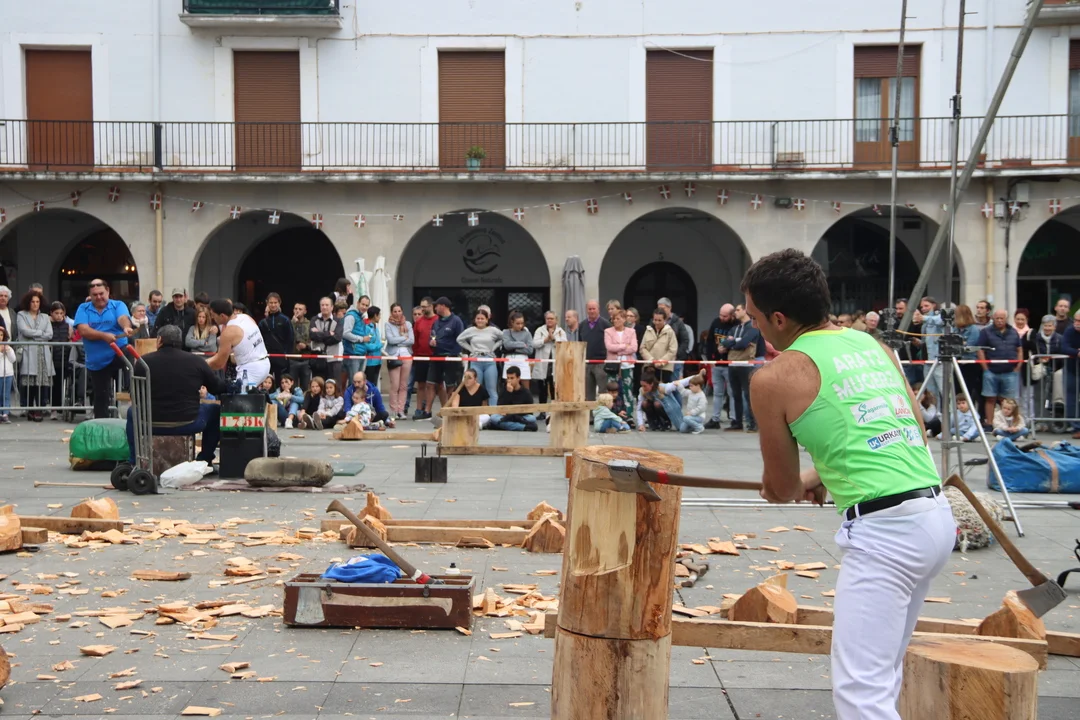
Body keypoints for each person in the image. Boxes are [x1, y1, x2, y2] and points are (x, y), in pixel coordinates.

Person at [741, 248, 954, 719]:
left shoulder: (774, 378)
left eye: (755, 318)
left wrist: (786, 485)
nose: (755, 327)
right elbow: (912, 431)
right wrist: (822, 475)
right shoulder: (873, 345)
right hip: (933, 515)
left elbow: (782, 488)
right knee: (883, 672)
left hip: (887, 535)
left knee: (862, 693)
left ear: (779, 319)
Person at [124, 325, 227, 471]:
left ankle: (134, 461)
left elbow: (134, 394)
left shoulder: (143, 362)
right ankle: (205, 459)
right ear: (181, 341)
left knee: (131, 412)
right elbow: (217, 387)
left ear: (159, 340)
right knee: (215, 410)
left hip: (151, 423)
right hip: (188, 422)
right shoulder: (196, 361)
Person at [74, 279, 134, 419]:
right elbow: (83, 330)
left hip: (117, 351)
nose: (99, 297)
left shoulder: (118, 305)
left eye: (101, 293)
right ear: (90, 295)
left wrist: (126, 327)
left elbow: (123, 318)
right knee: (101, 396)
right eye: (95, 295)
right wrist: (103, 336)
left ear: (108, 291)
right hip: (97, 360)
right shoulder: (83, 308)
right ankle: (101, 424)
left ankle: (131, 388)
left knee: (129, 352)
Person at [207, 298, 270, 389]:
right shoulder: (246, 317)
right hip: (265, 362)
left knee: (237, 396)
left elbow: (219, 363)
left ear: (222, 316)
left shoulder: (228, 332)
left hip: (251, 369)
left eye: (213, 315)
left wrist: (201, 363)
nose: (212, 318)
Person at [976, 309, 1022, 425]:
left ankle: (1006, 424)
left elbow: (1019, 349)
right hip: (991, 371)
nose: (1000, 321)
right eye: (997, 318)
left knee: (1008, 401)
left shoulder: (1014, 332)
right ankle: (990, 424)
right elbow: (980, 350)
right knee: (990, 398)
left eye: (1002, 318)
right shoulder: (986, 332)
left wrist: (1018, 366)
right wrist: (985, 368)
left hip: (1010, 372)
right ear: (993, 319)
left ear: (1006, 319)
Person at [16, 289, 55, 421]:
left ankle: (39, 409)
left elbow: (50, 334)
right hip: (28, 352)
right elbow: (24, 331)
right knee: (29, 383)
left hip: (43, 354)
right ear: (28, 302)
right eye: (33, 301)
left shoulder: (45, 316)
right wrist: (40, 334)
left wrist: (33, 333)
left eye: (37, 301)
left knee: (41, 383)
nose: (35, 304)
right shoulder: (21, 315)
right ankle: (30, 409)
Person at [723, 304, 761, 433]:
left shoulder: (753, 327)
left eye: (738, 310)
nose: (735, 312)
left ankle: (753, 423)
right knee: (735, 394)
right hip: (733, 363)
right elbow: (724, 342)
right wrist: (735, 341)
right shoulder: (735, 328)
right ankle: (737, 423)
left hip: (746, 364)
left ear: (745, 311)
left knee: (748, 395)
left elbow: (744, 343)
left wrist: (733, 342)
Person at [426, 296, 465, 412]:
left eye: (437, 306)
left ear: (443, 306)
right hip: (436, 356)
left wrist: (452, 353)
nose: (435, 308)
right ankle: (427, 411)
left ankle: (450, 410)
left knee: (450, 386)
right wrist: (431, 343)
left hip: (450, 358)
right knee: (431, 383)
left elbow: (461, 340)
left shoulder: (456, 321)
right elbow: (432, 336)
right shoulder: (436, 322)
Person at [457, 309, 502, 406]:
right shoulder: (470, 330)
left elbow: (504, 338)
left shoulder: (493, 330)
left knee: (492, 390)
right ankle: (477, 412)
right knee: (476, 388)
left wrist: (493, 348)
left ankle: (493, 413)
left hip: (489, 360)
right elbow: (459, 339)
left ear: (487, 319)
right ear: (474, 319)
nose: (480, 320)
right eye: (478, 318)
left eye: (482, 318)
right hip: (476, 360)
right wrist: (471, 349)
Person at [705, 304, 736, 429]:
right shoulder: (716, 322)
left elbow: (738, 342)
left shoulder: (736, 325)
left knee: (732, 393)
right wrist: (710, 359)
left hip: (730, 363)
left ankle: (734, 418)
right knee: (717, 393)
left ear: (731, 315)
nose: (722, 318)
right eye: (720, 315)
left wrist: (728, 348)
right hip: (717, 363)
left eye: (725, 316)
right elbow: (709, 341)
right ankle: (715, 418)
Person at [604, 309, 638, 414]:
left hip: (627, 365)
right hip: (612, 365)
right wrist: (624, 346)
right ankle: (612, 412)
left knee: (628, 390)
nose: (615, 321)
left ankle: (628, 414)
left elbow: (634, 348)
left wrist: (617, 349)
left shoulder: (631, 332)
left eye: (618, 318)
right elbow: (609, 347)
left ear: (624, 319)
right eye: (613, 319)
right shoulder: (608, 331)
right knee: (612, 390)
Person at [384, 303, 414, 421]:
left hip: (407, 355)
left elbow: (411, 340)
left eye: (399, 311)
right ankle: (393, 410)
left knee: (403, 385)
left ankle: (401, 410)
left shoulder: (408, 324)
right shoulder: (388, 324)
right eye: (395, 311)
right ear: (392, 312)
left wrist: (399, 340)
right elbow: (390, 340)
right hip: (394, 355)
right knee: (395, 385)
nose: (397, 313)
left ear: (402, 311)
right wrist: (403, 338)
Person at [531, 311, 566, 410]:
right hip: (543, 365)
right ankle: (542, 412)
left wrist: (554, 339)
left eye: (552, 318)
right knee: (542, 390)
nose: (549, 320)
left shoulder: (561, 331)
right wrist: (545, 340)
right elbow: (534, 344)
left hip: (554, 364)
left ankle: (554, 411)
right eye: (548, 318)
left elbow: (565, 344)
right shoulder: (539, 330)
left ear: (556, 320)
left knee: (554, 389)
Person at [953, 304, 983, 417]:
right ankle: (958, 416)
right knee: (957, 391)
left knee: (968, 391)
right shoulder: (955, 329)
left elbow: (969, 346)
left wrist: (959, 345)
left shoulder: (973, 329)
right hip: (958, 363)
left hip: (969, 364)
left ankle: (970, 416)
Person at [487, 366, 537, 431]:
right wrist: (509, 393)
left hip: (520, 416)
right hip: (506, 416)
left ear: (518, 378)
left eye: (512, 378)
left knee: (532, 418)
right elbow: (500, 406)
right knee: (493, 417)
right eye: (508, 378)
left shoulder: (526, 392)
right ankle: (524, 427)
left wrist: (515, 416)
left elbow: (530, 411)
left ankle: (501, 425)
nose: (509, 381)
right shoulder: (504, 390)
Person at [411, 297, 437, 420]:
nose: (422, 309)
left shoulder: (437, 320)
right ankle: (418, 409)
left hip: (433, 357)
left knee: (432, 385)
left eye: (424, 306)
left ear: (431, 306)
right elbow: (415, 340)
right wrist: (415, 355)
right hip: (420, 356)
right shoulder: (419, 322)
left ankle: (428, 409)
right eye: (421, 306)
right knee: (420, 384)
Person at [257, 292, 293, 382]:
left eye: (275, 302)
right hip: (266, 356)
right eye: (271, 303)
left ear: (279, 303)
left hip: (281, 356)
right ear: (267, 303)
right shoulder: (262, 322)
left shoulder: (285, 320)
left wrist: (287, 354)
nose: (273, 305)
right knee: (266, 382)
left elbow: (290, 338)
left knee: (281, 381)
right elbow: (259, 340)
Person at [308, 297, 341, 390]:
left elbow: (337, 338)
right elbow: (312, 336)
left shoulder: (337, 320)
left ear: (332, 307)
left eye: (327, 305)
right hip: (318, 358)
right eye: (322, 305)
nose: (324, 307)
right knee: (318, 386)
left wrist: (319, 334)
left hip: (332, 359)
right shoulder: (314, 319)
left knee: (333, 386)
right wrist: (329, 334)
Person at [582, 300, 611, 401]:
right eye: (589, 309)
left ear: (598, 309)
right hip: (587, 363)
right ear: (586, 310)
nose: (591, 311)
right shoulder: (582, 325)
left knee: (603, 392)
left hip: (601, 363)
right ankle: (590, 412)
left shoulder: (606, 324)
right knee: (588, 393)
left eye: (593, 309)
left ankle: (603, 411)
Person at [48, 301, 72, 421]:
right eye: (56, 313)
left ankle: (62, 407)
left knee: (62, 384)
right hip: (52, 358)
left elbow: (70, 339)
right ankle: (54, 409)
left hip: (64, 358)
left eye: (61, 313)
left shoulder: (67, 326)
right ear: (51, 313)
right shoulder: (48, 325)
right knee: (54, 386)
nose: (59, 316)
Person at [640, 308, 677, 383]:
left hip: (665, 368)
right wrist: (651, 359)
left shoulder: (670, 332)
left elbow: (673, 350)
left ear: (665, 320)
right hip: (649, 367)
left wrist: (661, 361)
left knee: (663, 389)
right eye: (655, 320)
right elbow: (642, 348)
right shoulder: (648, 330)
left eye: (659, 320)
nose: (656, 322)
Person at [657, 297, 691, 379]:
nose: (660, 311)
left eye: (663, 308)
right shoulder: (655, 321)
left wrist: (677, 354)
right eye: (658, 308)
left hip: (675, 360)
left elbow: (685, 340)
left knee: (674, 383)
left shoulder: (678, 322)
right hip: (659, 359)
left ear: (670, 308)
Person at [341, 295, 371, 385]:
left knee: (359, 382)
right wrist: (362, 339)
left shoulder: (360, 317)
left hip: (360, 353)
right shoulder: (351, 316)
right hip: (352, 353)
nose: (364, 307)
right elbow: (345, 333)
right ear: (358, 303)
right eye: (363, 304)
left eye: (366, 305)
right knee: (355, 382)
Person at [501, 311, 533, 393]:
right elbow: (507, 345)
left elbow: (530, 350)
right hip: (510, 359)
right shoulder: (506, 332)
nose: (520, 326)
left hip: (523, 360)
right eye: (517, 323)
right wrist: (522, 344)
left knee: (526, 388)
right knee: (509, 387)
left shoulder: (527, 334)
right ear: (512, 322)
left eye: (522, 323)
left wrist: (513, 349)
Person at [1061, 310, 1080, 439]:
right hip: (1071, 370)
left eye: (1079, 321)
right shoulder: (1069, 331)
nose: (1077, 323)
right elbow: (1064, 347)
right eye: (1076, 320)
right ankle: (1076, 427)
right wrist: (1077, 352)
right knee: (1071, 399)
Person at [357, 305, 383, 387]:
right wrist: (380, 345)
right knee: (369, 384)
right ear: (375, 315)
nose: (380, 317)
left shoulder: (376, 328)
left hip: (378, 360)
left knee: (374, 385)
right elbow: (366, 345)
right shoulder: (367, 328)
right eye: (379, 315)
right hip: (370, 362)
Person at [290, 302, 312, 393]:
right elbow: (288, 337)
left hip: (306, 358)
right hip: (293, 358)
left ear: (305, 311)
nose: (297, 311)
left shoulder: (310, 324)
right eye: (296, 309)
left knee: (306, 386)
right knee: (292, 386)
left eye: (300, 309)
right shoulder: (289, 323)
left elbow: (314, 340)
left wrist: (306, 345)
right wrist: (293, 323)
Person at [0, 325, 14, 423]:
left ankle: (5, 414)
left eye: (1, 335)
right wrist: (1, 352)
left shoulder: (8, 346)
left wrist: (8, 351)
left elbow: (13, 359)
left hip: (8, 374)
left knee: (6, 394)